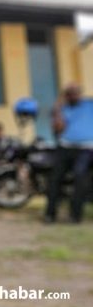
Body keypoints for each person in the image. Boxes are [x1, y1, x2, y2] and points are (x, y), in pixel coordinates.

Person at [45, 84, 93, 223]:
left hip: (86, 148)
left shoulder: (89, 105)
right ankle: (50, 214)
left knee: (80, 176)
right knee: (54, 179)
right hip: (65, 147)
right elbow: (58, 129)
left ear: (80, 93)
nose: (73, 95)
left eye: (75, 93)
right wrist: (58, 108)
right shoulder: (62, 109)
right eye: (69, 93)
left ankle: (75, 215)